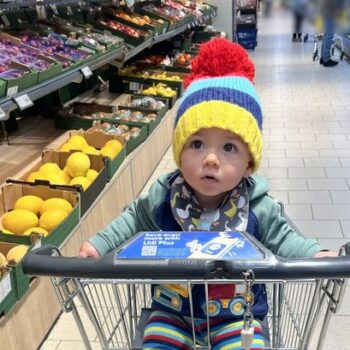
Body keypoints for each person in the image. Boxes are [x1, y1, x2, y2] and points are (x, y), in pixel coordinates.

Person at [78, 38, 336, 349]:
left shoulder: (256, 206)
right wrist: (99, 244)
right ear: (179, 151)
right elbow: (132, 220)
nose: (210, 159)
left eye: (229, 147)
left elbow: (284, 239)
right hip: (172, 313)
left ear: (248, 163)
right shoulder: (164, 197)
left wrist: (315, 255)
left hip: (237, 318)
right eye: (197, 144)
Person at [320, 0, 345, 66]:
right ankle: (326, 59)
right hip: (330, 12)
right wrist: (336, 11)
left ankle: (323, 58)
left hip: (327, 11)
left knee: (327, 35)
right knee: (329, 35)